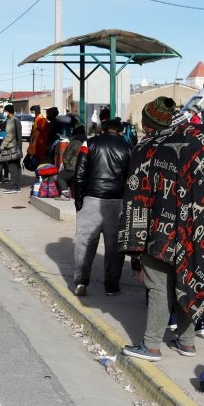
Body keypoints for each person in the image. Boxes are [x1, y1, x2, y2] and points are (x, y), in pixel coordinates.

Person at [118, 96, 204, 362]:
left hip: (160, 231)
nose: (145, 129)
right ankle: (187, 342)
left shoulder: (149, 147)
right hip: (199, 228)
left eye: (146, 124)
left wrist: (135, 239)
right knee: (191, 276)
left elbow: (136, 195)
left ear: (152, 124)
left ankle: (151, 346)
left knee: (159, 286)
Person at [71, 118, 133, 297]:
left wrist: (79, 200)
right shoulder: (129, 148)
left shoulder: (89, 144)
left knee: (85, 243)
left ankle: (81, 281)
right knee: (114, 247)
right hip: (117, 203)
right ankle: (111, 286)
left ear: (103, 130)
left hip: (91, 199)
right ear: (120, 131)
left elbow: (79, 174)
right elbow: (132, 179)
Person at [0, 105, 24, 194]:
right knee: (17, 167)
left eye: (5, 111)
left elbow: (9, 135)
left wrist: (2, 146)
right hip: (17, 147)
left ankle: (13, 187)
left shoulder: (11, 121)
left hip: (12, 148)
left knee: (12, 168)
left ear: (8, 111)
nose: (4, 113)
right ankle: (17, 186)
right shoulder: (17, 120)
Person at [55, 124, 87, 198]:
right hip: (85, 168)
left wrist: (66, 166)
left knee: (60, 177)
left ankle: (65, 194)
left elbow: (66, 156)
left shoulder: (74, 142)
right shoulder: (87, 141)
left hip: (74, 168)